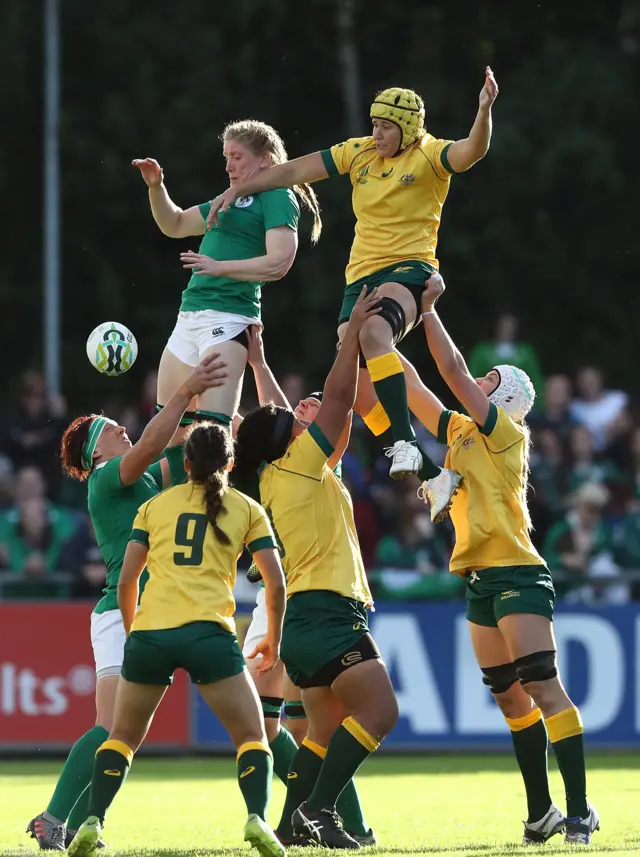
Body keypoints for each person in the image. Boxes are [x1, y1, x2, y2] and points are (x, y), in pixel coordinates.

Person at [207, 69, 498, 500]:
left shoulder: (429, 154)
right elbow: (297, 170)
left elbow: (472, 151)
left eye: (385, 128)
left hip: (409, 268)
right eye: (374, 125)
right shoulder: (358, 153)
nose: (376, 134)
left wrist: (484, 109)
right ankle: (434, 474)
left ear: (408, 129)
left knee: (375, 332)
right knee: (358, 386)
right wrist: (237, 189)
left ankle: (404, 443)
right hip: (361, 275)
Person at [404, 271, 599, 845]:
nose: (479, 382)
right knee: (512, 699)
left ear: (509, 398)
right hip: (480, 579)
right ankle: (542, 814)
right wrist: (378, 342)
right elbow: (417, 387)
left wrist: (427, 309)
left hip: (517, 573)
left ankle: (580, 811)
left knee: (542, 686)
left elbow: (452, 373)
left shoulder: (504, 433)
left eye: (492, 380)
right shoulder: (467, 430)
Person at [26, 354, 226, 851]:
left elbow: (178, 443)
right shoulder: (105, 477)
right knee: (112, 728)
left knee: (122, 734)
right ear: (98, 451)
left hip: (148, 609)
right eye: (113, 428)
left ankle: (65, 824)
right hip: (121, 611)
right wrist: (182, 395)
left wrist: (199, 398)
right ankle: (54, 820)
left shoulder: (138, 477)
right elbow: (159, 440)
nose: (123, 429)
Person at [68, 423, 287, 857]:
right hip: (209, 633)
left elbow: (128, 579)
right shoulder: (246, 508)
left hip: (152, 634)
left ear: (184, 464)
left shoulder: (154, 506)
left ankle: (92, 821)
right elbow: (276, 585)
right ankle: (257, 818)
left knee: (121, 738)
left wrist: (133, 632)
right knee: (252, 736)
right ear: (230, 463)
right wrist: (273, 641)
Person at [234, 288, 398, 849]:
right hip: (326, 612)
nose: (298, 412)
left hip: (305, 619)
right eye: (293, 419)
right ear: (290, 441)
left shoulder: (281, 471)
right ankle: (321, 810)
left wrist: (259, 364)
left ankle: (288, 829)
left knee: (321, 735)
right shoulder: (302, 465)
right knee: (380, 710)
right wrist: (352, 331)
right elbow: (338, 397)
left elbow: (284, 418)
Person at [132, 119, 321, 430]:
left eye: (236, 157)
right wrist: (156, 187)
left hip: (229, 317)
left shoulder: (277, 195)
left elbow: (279, 262)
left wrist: (221, 268)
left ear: (265, 158)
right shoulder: (231, 196)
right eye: (226, 158)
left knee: (211, 435)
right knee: (171, 435)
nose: (228, 166)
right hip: (189, 316)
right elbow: (175, 224)